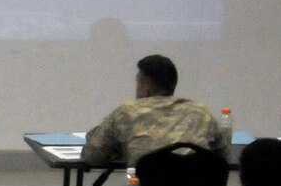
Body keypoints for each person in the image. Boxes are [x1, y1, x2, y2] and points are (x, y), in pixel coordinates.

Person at [82, 53, 228, 167]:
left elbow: (92, 156)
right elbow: (222, 153)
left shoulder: (127, 112)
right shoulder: (201, 112)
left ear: (145, 86)